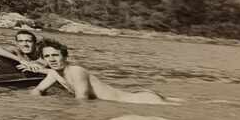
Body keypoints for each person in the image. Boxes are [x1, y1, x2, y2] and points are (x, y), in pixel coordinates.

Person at [30, 43, 175, 104]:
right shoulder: (54, 73)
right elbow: (38, 90)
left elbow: (82, 98)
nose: (52, 59)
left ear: (65, 56)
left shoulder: (76, 70)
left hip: (139, 100)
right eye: (47, 57)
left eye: (55, 55)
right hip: (133, 96)